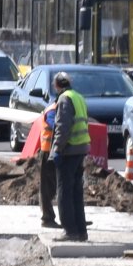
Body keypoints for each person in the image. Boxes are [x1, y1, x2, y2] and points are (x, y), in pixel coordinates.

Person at [46, 71, 92, 243]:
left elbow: (62, 127)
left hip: (69, 150)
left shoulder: (65, 99)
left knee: (64, 192)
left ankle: (70, 231)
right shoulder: (78, 97)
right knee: (76, 192)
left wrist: (56, 150)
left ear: (57, 85)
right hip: (81, 148)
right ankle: (81, 231)